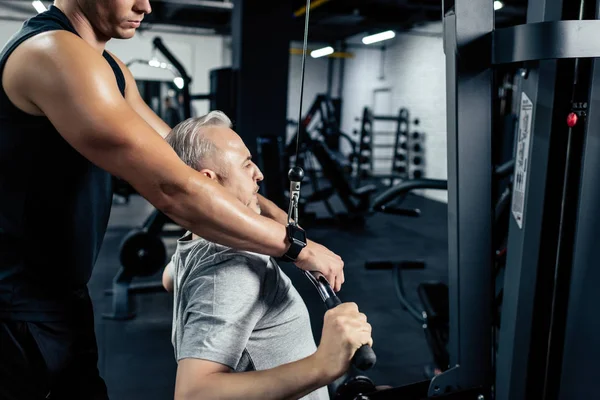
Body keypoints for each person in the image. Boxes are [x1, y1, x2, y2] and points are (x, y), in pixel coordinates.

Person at [0, 1, 344, 399]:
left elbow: (182, 156)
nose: (144, 5)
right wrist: (296, 248)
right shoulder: (52, 53)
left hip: (61, 297)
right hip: (15, 309)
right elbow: (174, 188)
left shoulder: (109, 66)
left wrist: (281, 220)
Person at [161, 111, 372, 400]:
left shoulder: (192, 243)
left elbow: (169, 279)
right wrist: (323, 365)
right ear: (209, 182)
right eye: (246, 165)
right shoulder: (231, 269)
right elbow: (193, 394)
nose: (259, 173)